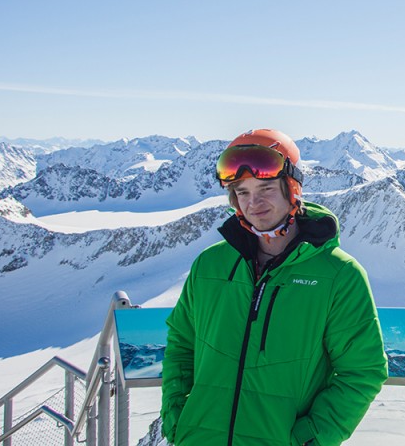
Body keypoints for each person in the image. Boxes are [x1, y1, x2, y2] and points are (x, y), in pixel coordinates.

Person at [160, 129, 388, 446]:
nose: (254, 202)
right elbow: (181, 345)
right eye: (241, 192)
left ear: (291, 188)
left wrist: (309, 439)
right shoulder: (209, 266)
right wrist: (177, 417)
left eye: (266, 188)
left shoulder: (339, 276)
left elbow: (363, 370)